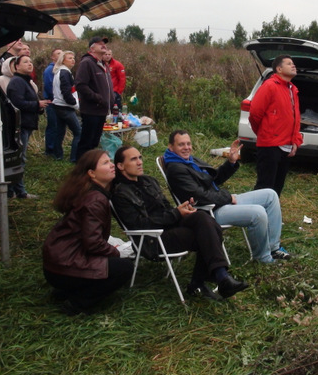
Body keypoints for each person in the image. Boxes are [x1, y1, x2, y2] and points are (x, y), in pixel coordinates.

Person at [112, 145, 249, 300]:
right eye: (133, 159)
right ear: (120, 166)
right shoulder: (120, 193)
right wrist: (176, 213)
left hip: (170, 227)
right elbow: (140, 225)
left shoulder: (149, 181)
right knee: (206, 232)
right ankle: (211, 279)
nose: (139, 162)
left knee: (204, 218)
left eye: (140, 157)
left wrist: (183, 209)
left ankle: (219, 277)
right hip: (152, 239)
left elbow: (166, 208)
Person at [163, 130, 291, 263]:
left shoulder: (190, 160)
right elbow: (199, 197)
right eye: (181, 145)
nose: (187, 148)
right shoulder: (176, 169)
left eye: (188, 144)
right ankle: (263, 258)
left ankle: (273, 248)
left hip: (219, 201)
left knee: (270, 195)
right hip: (209, 211)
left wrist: (230, 162)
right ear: (171, 147)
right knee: (258, 213)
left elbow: (213, 179)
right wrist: (227, 197)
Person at [42, 149, 134, 315]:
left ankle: (66, 290)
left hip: (55, 263)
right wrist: (116, 253)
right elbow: (93, 243)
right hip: (64, 265)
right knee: (124, 268)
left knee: (111, 261)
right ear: (92, 173)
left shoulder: (89, 191)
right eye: (105, 163)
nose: (112, 165)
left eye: (110, 161)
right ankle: (77, 304)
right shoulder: (95, 199)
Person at [248, 54, 303, 197]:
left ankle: (272, 216)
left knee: (278, 186)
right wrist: (264, 133)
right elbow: (255, 113)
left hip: (287, 146)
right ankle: (255, 216)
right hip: (269, 146)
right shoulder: (269, 86)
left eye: (293, 63)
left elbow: (295, 119)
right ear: (279, 69)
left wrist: (295, 141)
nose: (293, 65)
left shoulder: (292, 89)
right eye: (289, 63)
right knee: (265, 186)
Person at [6, 54, 51, 199]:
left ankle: (15, 191)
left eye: (30, 61)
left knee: (21, 158)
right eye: (25, 62)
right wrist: (37, 104)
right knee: (20, 158)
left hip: (27, 124)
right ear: (16, 66)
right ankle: (16, 191)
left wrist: (39, 106)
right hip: (21, 125)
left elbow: (29, 101)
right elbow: (17, 104)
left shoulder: (26, 81)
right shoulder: (17, 82)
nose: (30, 64)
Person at [75, 36, 115, 158]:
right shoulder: (86, 63)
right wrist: (97, 98)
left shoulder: (103, 64)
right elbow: (81, 85)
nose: (103, 45)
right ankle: (81, 168)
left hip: (102, 110)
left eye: (104, 43)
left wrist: (110, 102)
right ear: (92, 48)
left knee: (94, 142)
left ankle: (91, 167)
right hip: (91, 110)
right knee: (86, 142)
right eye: (99, 44)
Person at [51, 51, 82, 163]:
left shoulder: (59, 71)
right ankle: (74, 158)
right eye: (69, 58)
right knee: (78, 132)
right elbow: (66, 91)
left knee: (60, 131)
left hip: (58, 106)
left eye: (73, 58)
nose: (73, 60)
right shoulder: (64, 72)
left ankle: (57, 155)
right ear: (63, 60)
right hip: (65, 107)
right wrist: (74, 103)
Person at [43, 47, 62, 158]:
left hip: (59, 103)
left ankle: (55, 147)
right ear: (53, 57)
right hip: (52, 103)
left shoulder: (60, 69)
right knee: (53, 126)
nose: (61, 55)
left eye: (62, 53)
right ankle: (50, 149)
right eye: (58, 53)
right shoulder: (50, 70)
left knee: (58, 127)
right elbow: (50, 86)